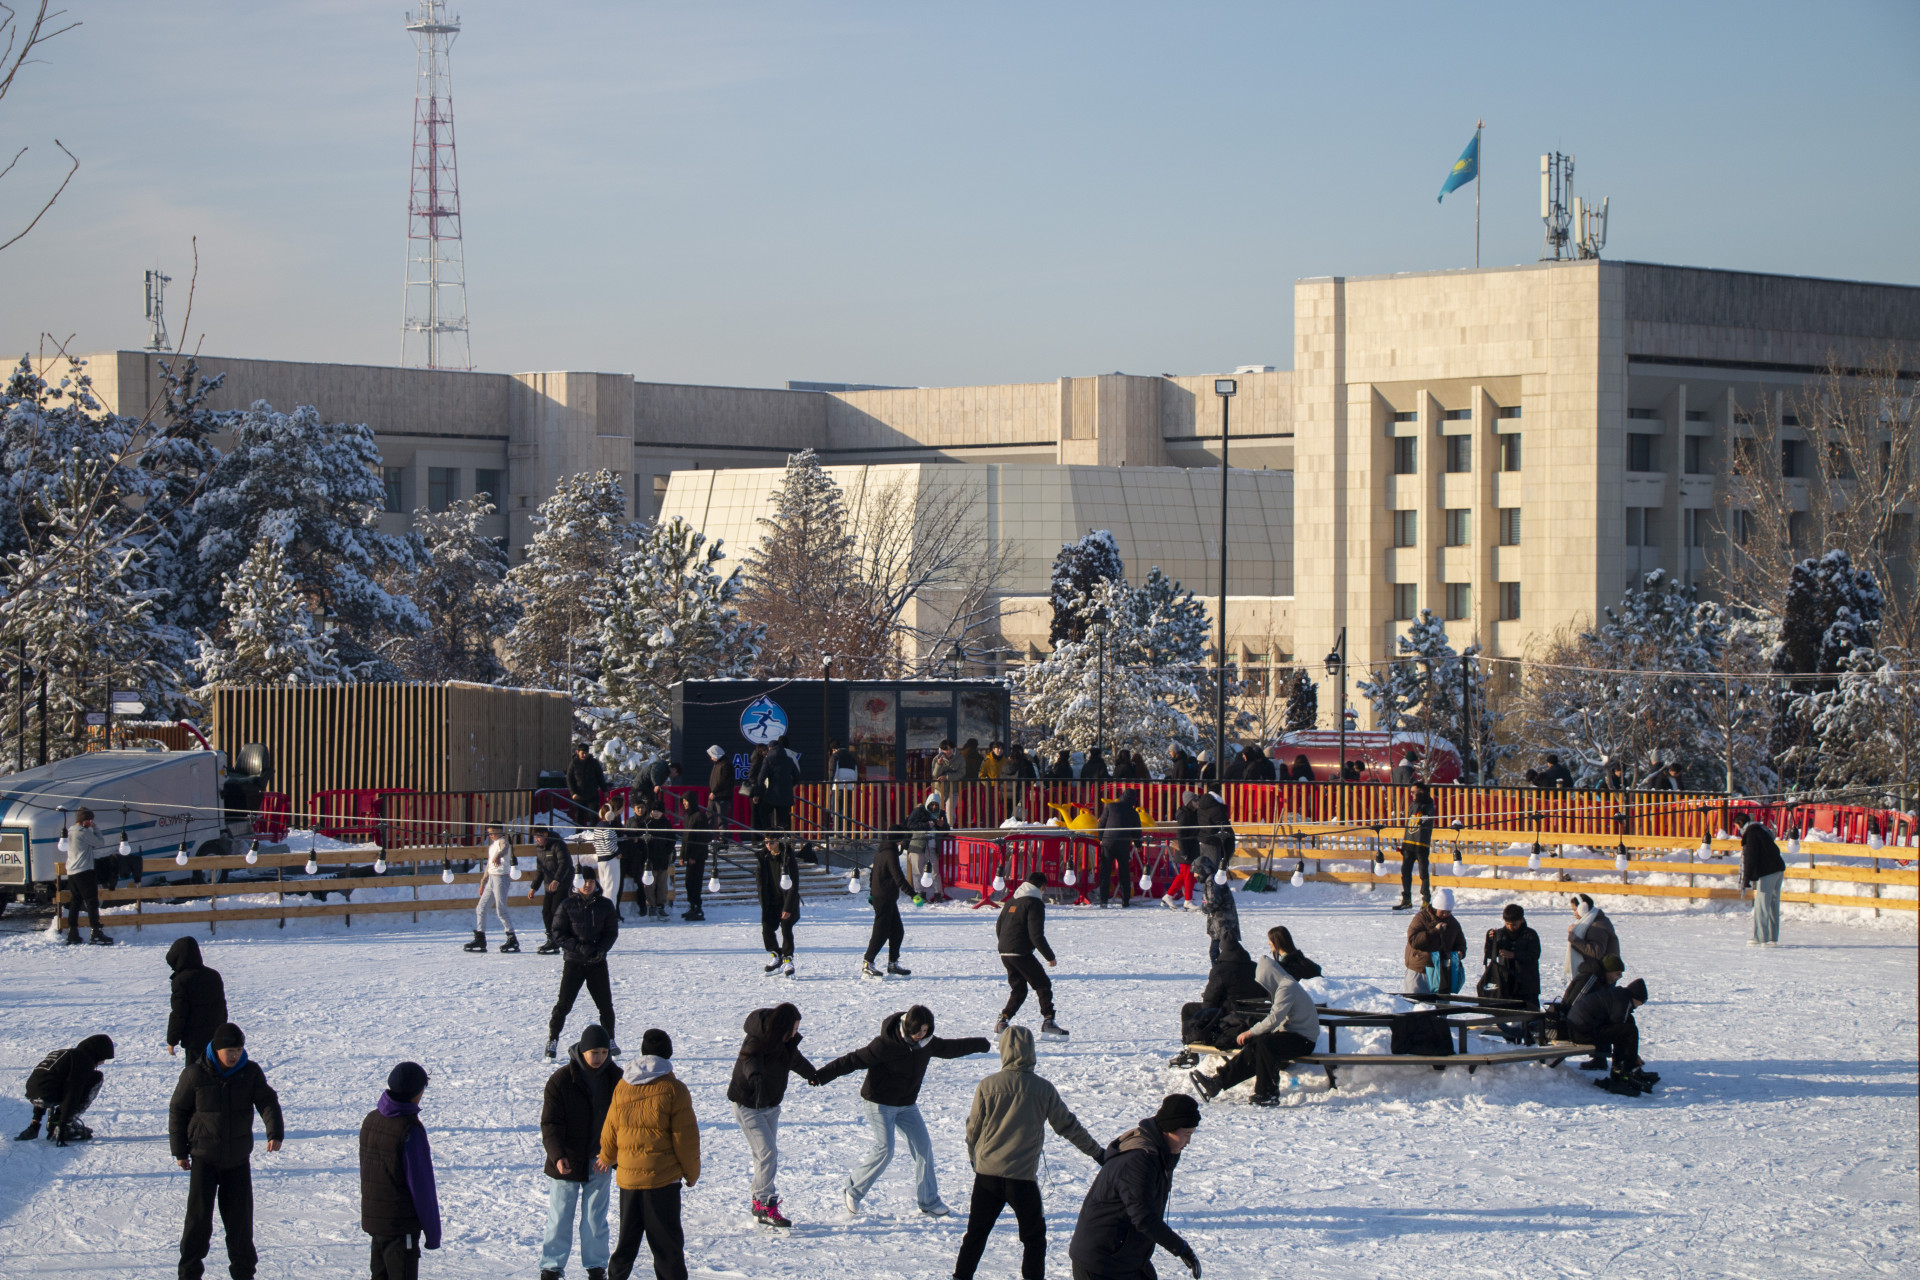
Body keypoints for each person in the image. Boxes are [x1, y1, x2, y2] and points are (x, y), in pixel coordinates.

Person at [953, 1024, 1105, 1280]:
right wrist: (1098, 1153)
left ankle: (960, 1277)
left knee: (976, 1235)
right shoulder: (1043, 1089)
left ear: (1002, 1050)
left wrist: (975, 1160)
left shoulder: (988, 1085)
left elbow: (973, 1130)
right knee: (1034, 1239)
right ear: (1031, 1051)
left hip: (987, 1176)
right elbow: (1068, 1126)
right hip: (1022, 1180)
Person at [811, 1005, 990, 1218]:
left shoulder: (927, 1043)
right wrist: (822, 1075)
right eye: (918, 1031)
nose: (921, 1036)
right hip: (879, 1103)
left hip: (906, 1105)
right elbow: (853, 1060)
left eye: (926, 1031)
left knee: (923, 1148)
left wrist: (980, 1044)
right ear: (907, 1026)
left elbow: (951, 1048)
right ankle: (853, 1189)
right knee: (885, 1148)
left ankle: (929, 1201)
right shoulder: (885, 1045)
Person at [170, 1023, 285, 1280]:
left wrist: (274, 1132)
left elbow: (267, 1100)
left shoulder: (250, 1072)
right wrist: (180, 1151)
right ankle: (189, 1275)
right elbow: (178, 1111)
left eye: (238, 1049)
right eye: (229, 1050)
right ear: (216, 1049)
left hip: (237, 1161)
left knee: (240, 1226)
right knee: (198, 1224)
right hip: (204, 1159)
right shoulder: (194, 1074)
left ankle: (244, 1275)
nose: (234, 1055)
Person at [1067, 1095, 1203, 1280]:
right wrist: (1181, 1248)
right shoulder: (1139, 1160)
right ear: (1169, 1128)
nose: (1188, 1142)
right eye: (1186, 1134)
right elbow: (1144, 1216)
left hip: (1124, 1256)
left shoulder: (1158, 1153)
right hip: (1101, 1262)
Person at [601, 1029, 699, 1280]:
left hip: (629, 1183)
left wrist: (607, 1155)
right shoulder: (674, 1088)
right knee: (667, 1249)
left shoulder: (623, 1086)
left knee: (626, 1245)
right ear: (669, 1054)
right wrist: (691, 1172)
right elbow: (685, 1138)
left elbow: (611, 1127)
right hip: (662, 1182)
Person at [1191, 927, 1322, 1105]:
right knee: (1257, 1046)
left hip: (1303, 1040)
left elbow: (1274, 1018)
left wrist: (1250, 1032)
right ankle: (1218, 1082)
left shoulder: (1287, 987)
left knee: (1264, 1044)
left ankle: (1268, 1093)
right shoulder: (1284, 985)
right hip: (1292, 1034)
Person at [726, 1003, 819, 1228]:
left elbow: (794, 1061)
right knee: (768, 1153)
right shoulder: (755, 1039)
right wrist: (756, 1080)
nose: (796, 1032)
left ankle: (759, 1202)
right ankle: (766, 1204)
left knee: (763, 1156)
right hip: (748, 1105)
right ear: (783, 1026)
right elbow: (749, 1060)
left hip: (771, 1105)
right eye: (794, 1027)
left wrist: (812, 1074)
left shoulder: (784, 1042)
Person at [540, 1025, 619, 1280]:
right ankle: (551, 1267)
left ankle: (596, 1267)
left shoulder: (616, 1079)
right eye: (594, 1052)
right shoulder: (561, 1080)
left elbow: (623, 1120)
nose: (600, 1058)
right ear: (582, 1050)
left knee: (596, 1218)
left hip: (601, 1159)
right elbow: (550, 1123)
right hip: (567, 1158)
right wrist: (557, 1155)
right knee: (560, 1215)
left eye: (605, 1052)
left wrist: (612, 1154)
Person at [360, 1061, 442, 1280]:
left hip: (376, 1222)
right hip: (399, 1227)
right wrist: (433, 1233)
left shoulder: (371, 1119)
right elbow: (421, 1186)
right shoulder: (409, 1129)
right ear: (417, 1092)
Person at [548, 865, 621, 1059]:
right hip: (574, 963)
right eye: (584, 882)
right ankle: (553, 1039)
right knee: (563, 1004)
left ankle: (611, 1040)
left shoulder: (605, 905)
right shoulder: (566, 905)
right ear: (577, 882)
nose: (588, 885)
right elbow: (558, 934)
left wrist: (601, 949)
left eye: (591, 881)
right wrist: (580, 948)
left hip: (597, 963)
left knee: (605, 1005)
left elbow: (611, 932)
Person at [995, 872, 1068, 1038]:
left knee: (1019, 989)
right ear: (1042, 887)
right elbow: (1036, 935)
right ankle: (1048, 1021)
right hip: (1020, 952)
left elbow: (999, 926)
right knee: (1042, 984)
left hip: (1005, 951)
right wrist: (1049, 957)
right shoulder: (1034, 903)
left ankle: (1003, 1021)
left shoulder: (1011, 901)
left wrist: (1006, 944)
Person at [16, 1033, 114, 1143]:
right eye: (104, 1058)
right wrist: (63, 1124)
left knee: (53, 1082)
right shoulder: (82, 1060)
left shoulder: (63, 1053)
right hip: (49, 1093)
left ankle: (55, 1121)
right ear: (97, 1053)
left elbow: (43, 1083)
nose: (103, 1062)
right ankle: (66, 1124)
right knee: (96, 1077)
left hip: (33, 1092)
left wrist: (35, 1122)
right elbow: (73, 1090)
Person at [1569, 976, 1656, 1096]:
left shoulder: (1619, 995)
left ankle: (1625, 1072)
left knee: (1628, 1026)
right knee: (1628, 1031)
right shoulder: (1622, 1001)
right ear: (1636, 998)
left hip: (1579, 1029)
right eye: (1639, 1004)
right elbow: (1619, 1029)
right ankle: (1626, 1073)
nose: (1636, 1007)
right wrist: (1633, 1056)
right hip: (1582, 1032)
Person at [1478, 903, 1543, 1026]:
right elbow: (1490, 955)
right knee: (1507, 1018)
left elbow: (1534, 955)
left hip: (1527, 982)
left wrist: (1514, 955)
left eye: (1514, 924)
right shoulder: (1500, 934)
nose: (1510, 927)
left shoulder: (1530, 934)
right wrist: (1490, 940)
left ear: (1522, 920)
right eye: (1507, 924)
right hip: (1507, 982)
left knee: (1532, 1018)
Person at [166, 936, 229, 1062]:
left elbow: (179, 1013)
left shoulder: (181, 981)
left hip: (194, 1040)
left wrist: (172, 1040)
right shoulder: (213, 975)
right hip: (215, 1036)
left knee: (195, 1075)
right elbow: (222, 1007)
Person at [1168, 788, 1230, 911]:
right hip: (1185, 850)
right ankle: (1188, 900)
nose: (1197, 802)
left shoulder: (1194, 813)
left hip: (1191, 848)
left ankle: (1169, 895)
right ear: (1189, 802)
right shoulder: (1184, 815)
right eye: (1195, 800)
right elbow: (1181, 834)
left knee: (1183, 875)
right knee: (1189, 875)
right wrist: (1184, 852)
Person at [465, 824, 521, 953]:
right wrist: (483, 882)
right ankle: (480, 937)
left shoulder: (503, 841)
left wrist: (498, 855)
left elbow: (505, 849)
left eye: (493, 833)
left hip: (501, 878)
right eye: (489, 833)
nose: (491, 836)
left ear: (500, 832)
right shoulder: (492, 846)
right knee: (481, 907)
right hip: (491, 878)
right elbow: (489, 865)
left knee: (501, 909)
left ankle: (512, 937)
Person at [862, 836, 912, 979]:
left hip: (885, 897)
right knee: (881, 932)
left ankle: (893, 964)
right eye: (902, 839)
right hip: (884, 897)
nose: (903, 842)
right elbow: (898, 876)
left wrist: (872, 892)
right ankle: (868, 963)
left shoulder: (882, 850)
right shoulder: (890, 853)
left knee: (897, 931)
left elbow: (873, 874)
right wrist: (913, 894)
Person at [61, 807, 113, 945]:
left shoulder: (71, 831)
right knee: (92, 901)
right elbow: (100, 842)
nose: (91, 822)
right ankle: (96, 931)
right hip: (84, 870)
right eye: (90, 820)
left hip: (72, 871)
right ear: (84, 821)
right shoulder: (82, 832)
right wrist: (96, 829)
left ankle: (72, 932)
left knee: (75, 901)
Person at [1561, 893, 1621, 1005]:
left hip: (1601, 976)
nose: (1574, 913)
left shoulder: (1597, 925)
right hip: (1600, 974)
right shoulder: (1591, 921)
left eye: (1575, 910)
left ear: (1582, 909)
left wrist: (1574, 939)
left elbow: (1596, 952)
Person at [1404, 887, 1466, 994]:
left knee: (1441, 1007)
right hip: (1420, 970)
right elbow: (1414, 941)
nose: (1445, 915)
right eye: (1442, 912)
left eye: (1448, 912)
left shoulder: (1453, 923)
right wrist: (1434, 931)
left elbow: (1461, 944)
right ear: (1435, 908)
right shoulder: (1421, 918)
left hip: (1442, 971)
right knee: (1415, 1004)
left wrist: (1460, 953)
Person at [755, 837, 800, 977]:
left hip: (786, 900)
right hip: (771, 900)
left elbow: (794, 884)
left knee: (786, 927)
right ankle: (776, 955)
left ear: (778, 842)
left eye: (771, 842)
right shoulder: (764, 857)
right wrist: (763, 900)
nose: (768, 845)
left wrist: (787, 908)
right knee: (766, 927)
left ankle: (788, 959)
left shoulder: (787, 858)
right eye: (766, 842)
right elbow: (760, 882)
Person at [1742, 815, 1787, 946]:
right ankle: (1773, 937)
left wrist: (1747, 877)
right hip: (1778, 869)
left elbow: (1750, 856)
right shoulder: (1762, 830)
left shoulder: (1751, 833)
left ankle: (1760, 937)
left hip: (1767, 872)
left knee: (1761, 905)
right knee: (1773, 904)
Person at [1095, 788, 1143, 908]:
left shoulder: (1111, 807)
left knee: (1105, 872)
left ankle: (1104, 900)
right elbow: (1137, 832)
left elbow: (1101, 824)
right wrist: (1138, 845)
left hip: (1108, 842)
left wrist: (1101, 838)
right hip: (1123, 844)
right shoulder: (1133, 813)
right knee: (1124, 873)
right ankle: (1125, 901)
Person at [1394, 782, 1439, 910]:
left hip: (1421, 844)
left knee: (1423, 873)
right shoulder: (1413, 804)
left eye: (1414, 792)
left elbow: (1425, 819)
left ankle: (1426, 900)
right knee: (1405, 873)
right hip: (1409, 844)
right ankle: (1406, 899)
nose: (1411, 795)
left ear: (1421, 792)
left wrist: (1423, 817)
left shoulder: (1429, 805)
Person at [533, 826, 576, 955]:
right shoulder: (539, 849)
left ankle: (563, 938)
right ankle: (552, 938)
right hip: (549, 884)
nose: (537, 840)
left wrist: (557, 880)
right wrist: (533, 887)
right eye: (535, 837)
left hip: (562, 882)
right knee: (546, 911)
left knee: (556, 911)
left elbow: (565, 863)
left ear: (546, 834)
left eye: (539, 836)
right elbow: (540, 870)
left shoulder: (558, 844)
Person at [904, 793, 950, 905]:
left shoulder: (941, 814)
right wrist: (926, 825)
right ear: (928, 804)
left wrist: (941, 825)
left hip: (932, 846)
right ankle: (920, 894)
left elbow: (947, 830)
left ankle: (938, 894)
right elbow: (910, 825)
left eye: (936, 805)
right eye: (932, 804)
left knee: (935, 872)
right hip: (917, 845)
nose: (934, 807)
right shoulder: (919, 811)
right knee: (917, 871)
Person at [639, 801, 677, 922]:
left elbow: (672, 840)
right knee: (650, 884)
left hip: (662, 858)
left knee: (662, 884)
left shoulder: (666, 823)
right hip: (650, 859)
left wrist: (667, 851)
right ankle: (651, 906)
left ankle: (661, 905)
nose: (655, 813)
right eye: (653, 811)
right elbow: (641, 841)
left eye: (658, 811)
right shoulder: (647, 823)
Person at [678, 809, 711, 922]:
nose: (685, 805)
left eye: (686, 802)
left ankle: (697, 907)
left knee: (695, 883)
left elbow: (702, 838)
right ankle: (692, 906)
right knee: (688, 882)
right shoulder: (688, 816)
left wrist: (694, 856)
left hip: (698, 857)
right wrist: (682, 855)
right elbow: (685, 837)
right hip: (689, 856)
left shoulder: (700, 816)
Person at [568, 745, 608, 827]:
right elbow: (569, 779)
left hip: (592, 794)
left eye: (586, 753)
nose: (584, 755)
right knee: (579, 817)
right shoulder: (574, 763)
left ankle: (594, 834)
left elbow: (600, 777)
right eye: (582, 753)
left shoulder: (593, 762)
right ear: (578, 752)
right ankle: (579, 834)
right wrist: (573, 793)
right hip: (579, 795)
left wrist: (604, 790)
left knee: (593, 816)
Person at [705, 745, 735, 827]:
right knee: (709, 816)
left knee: (721, 818)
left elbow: (723, 781)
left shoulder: (726, 765)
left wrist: (714, 791)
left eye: (712, 756)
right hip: (713, 794)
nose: (711, 758)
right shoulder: (717, 764)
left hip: (722, 796)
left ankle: (723, 837)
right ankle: (709, 836)